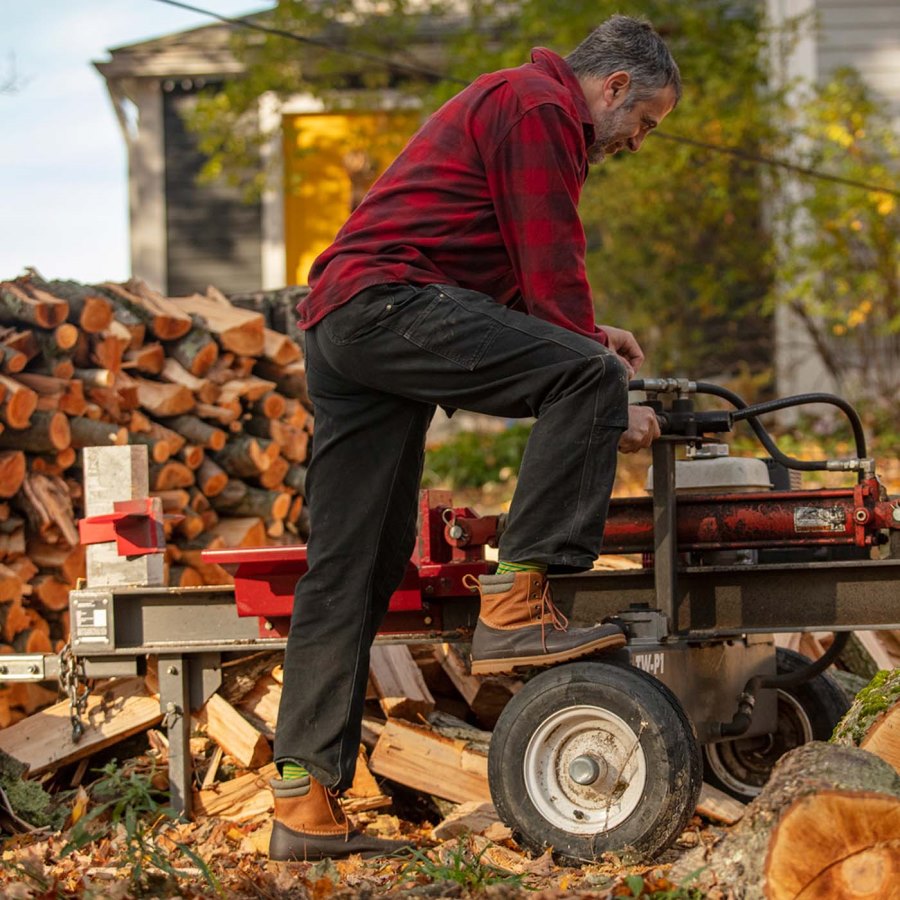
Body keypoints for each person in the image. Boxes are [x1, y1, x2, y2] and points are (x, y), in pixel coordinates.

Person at [269, 14, 680, 861]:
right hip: (390, 304)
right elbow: (553, 258)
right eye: (641, 124)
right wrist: (603, 381)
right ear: (611, 88)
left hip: (349, 321)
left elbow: (518, 272)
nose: (634, 143)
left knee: (355, 565)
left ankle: (299, 803)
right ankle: (517, 603)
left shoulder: (513, 103)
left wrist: (592, 337)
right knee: (586, 382)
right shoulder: (539, 107)